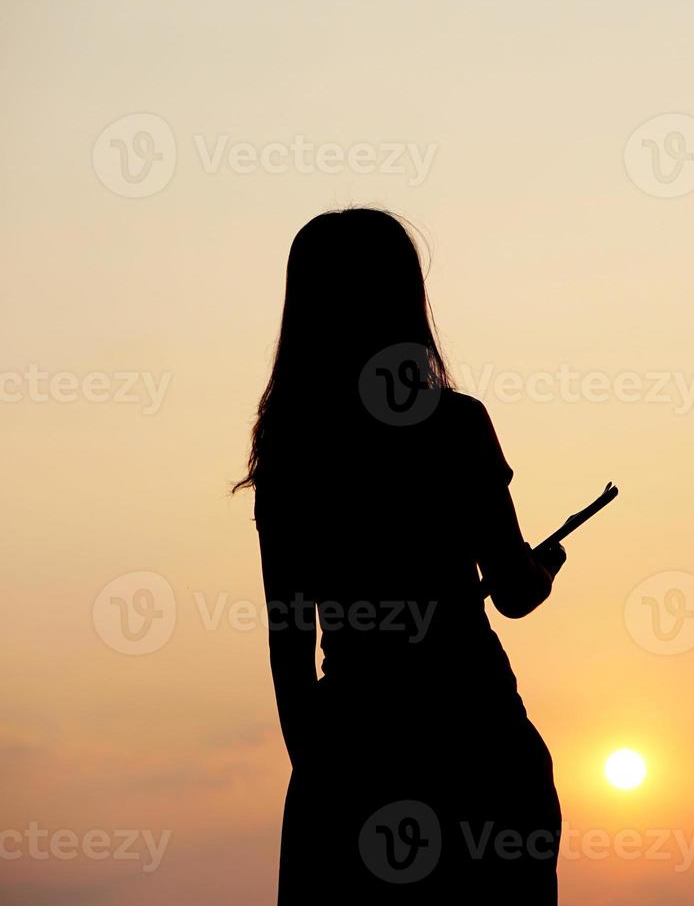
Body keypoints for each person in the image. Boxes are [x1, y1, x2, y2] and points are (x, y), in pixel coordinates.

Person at [236, 208, 564, 902]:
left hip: (352, 747)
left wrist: (320, 774)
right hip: (478, 743)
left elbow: (289, 646)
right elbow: (512, 593)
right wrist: (543, 567)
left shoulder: (292, 462)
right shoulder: (458, 428)